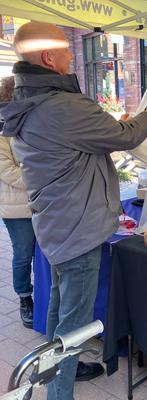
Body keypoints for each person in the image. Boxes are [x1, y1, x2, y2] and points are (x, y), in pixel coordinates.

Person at [0, 21, 147, 400]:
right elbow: (123, 137)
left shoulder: (28, 102)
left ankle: (57, 375)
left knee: (59, 308)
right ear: (48, 57)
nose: (74, 55)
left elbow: (79, 143)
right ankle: (60, 393)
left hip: (56, 223)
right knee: (75, 324)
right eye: (66, 50)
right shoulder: (63, 105)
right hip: (78, 228)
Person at [0, 76, 35, 329]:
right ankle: (25, 297)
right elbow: (7, 171)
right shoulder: (2, 129)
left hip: (42, 201)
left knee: (44, 255)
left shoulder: (31, 122)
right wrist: (42, 176)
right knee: (23, 253)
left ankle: (42, 296)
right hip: (16, 206)